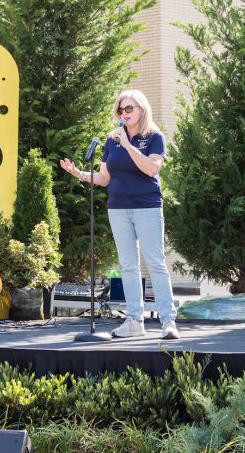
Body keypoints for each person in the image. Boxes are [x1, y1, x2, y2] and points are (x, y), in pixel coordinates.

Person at [60, 89, 179, 339]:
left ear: (141, 110)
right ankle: (135, 321)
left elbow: (151, 169)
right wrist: (79, 174)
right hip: (118, 208)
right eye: (120, 110)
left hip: (146, 206)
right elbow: (105, 178)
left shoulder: (154, 137)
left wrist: (127, 145)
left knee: (155, 264)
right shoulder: (111, 141)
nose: (123, 114)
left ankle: (168, 321)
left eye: (129, 109)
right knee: (128, 266)